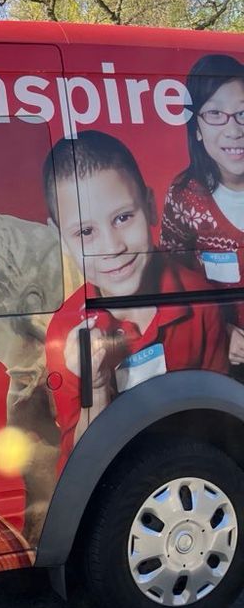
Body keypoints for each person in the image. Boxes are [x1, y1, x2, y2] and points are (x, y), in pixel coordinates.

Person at [43, 131, 228, 462]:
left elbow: (223, 415)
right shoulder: (66, 332)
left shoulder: (201, 301)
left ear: (151, 207)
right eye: (85, 232)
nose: (113, 247)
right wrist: (96, 390)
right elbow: (80, 464)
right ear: (61, 239)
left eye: (123, 218)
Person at [160, 53, 244, 364]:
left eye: (242, 113)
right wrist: (222, 331)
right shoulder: (186, 196)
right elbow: (171, 280)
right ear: (196, 127)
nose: (234, 130)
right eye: (215, 115)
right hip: (220, 364)